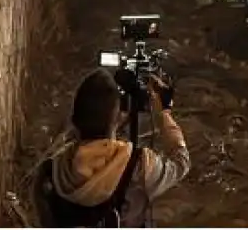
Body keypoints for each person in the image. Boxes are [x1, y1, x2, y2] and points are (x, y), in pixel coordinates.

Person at [33, 68, 190, 227]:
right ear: (117, 119)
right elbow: (181, 162)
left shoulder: (50, 171)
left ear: (75, 119)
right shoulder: (138, 166)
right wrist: (164, 113)